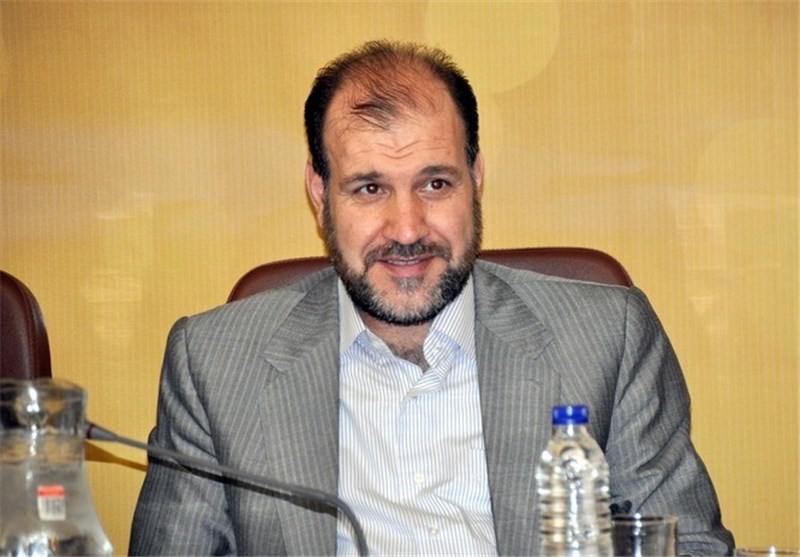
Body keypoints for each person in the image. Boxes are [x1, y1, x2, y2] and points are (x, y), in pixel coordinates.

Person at [130, 40, 734, 556]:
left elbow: (688, 545)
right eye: (369, 189)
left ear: (476, 178)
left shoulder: (608, 337)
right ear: (319, 192)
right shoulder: (214, 363)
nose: (407, 229)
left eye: (435, 183)